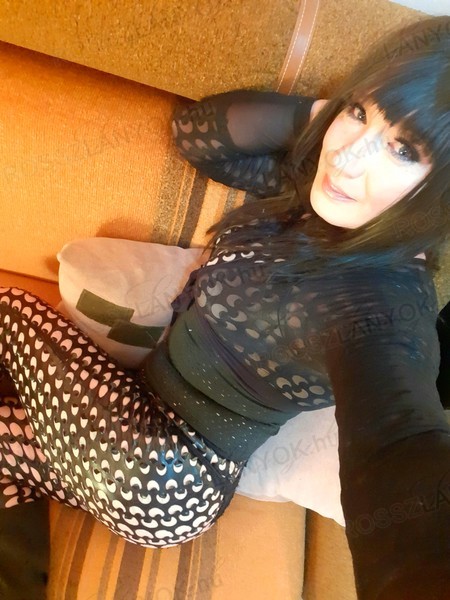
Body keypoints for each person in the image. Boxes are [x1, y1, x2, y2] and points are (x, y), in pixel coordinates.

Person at [0, 14, 449, 599]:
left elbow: (399, 439)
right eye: (361, 111)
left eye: (402, 148)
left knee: (8, 307)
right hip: (137, 433)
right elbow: (197, 135)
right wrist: (326, 118)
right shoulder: (321, 195)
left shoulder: (385, 304)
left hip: (164, 471)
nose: (349, 158)